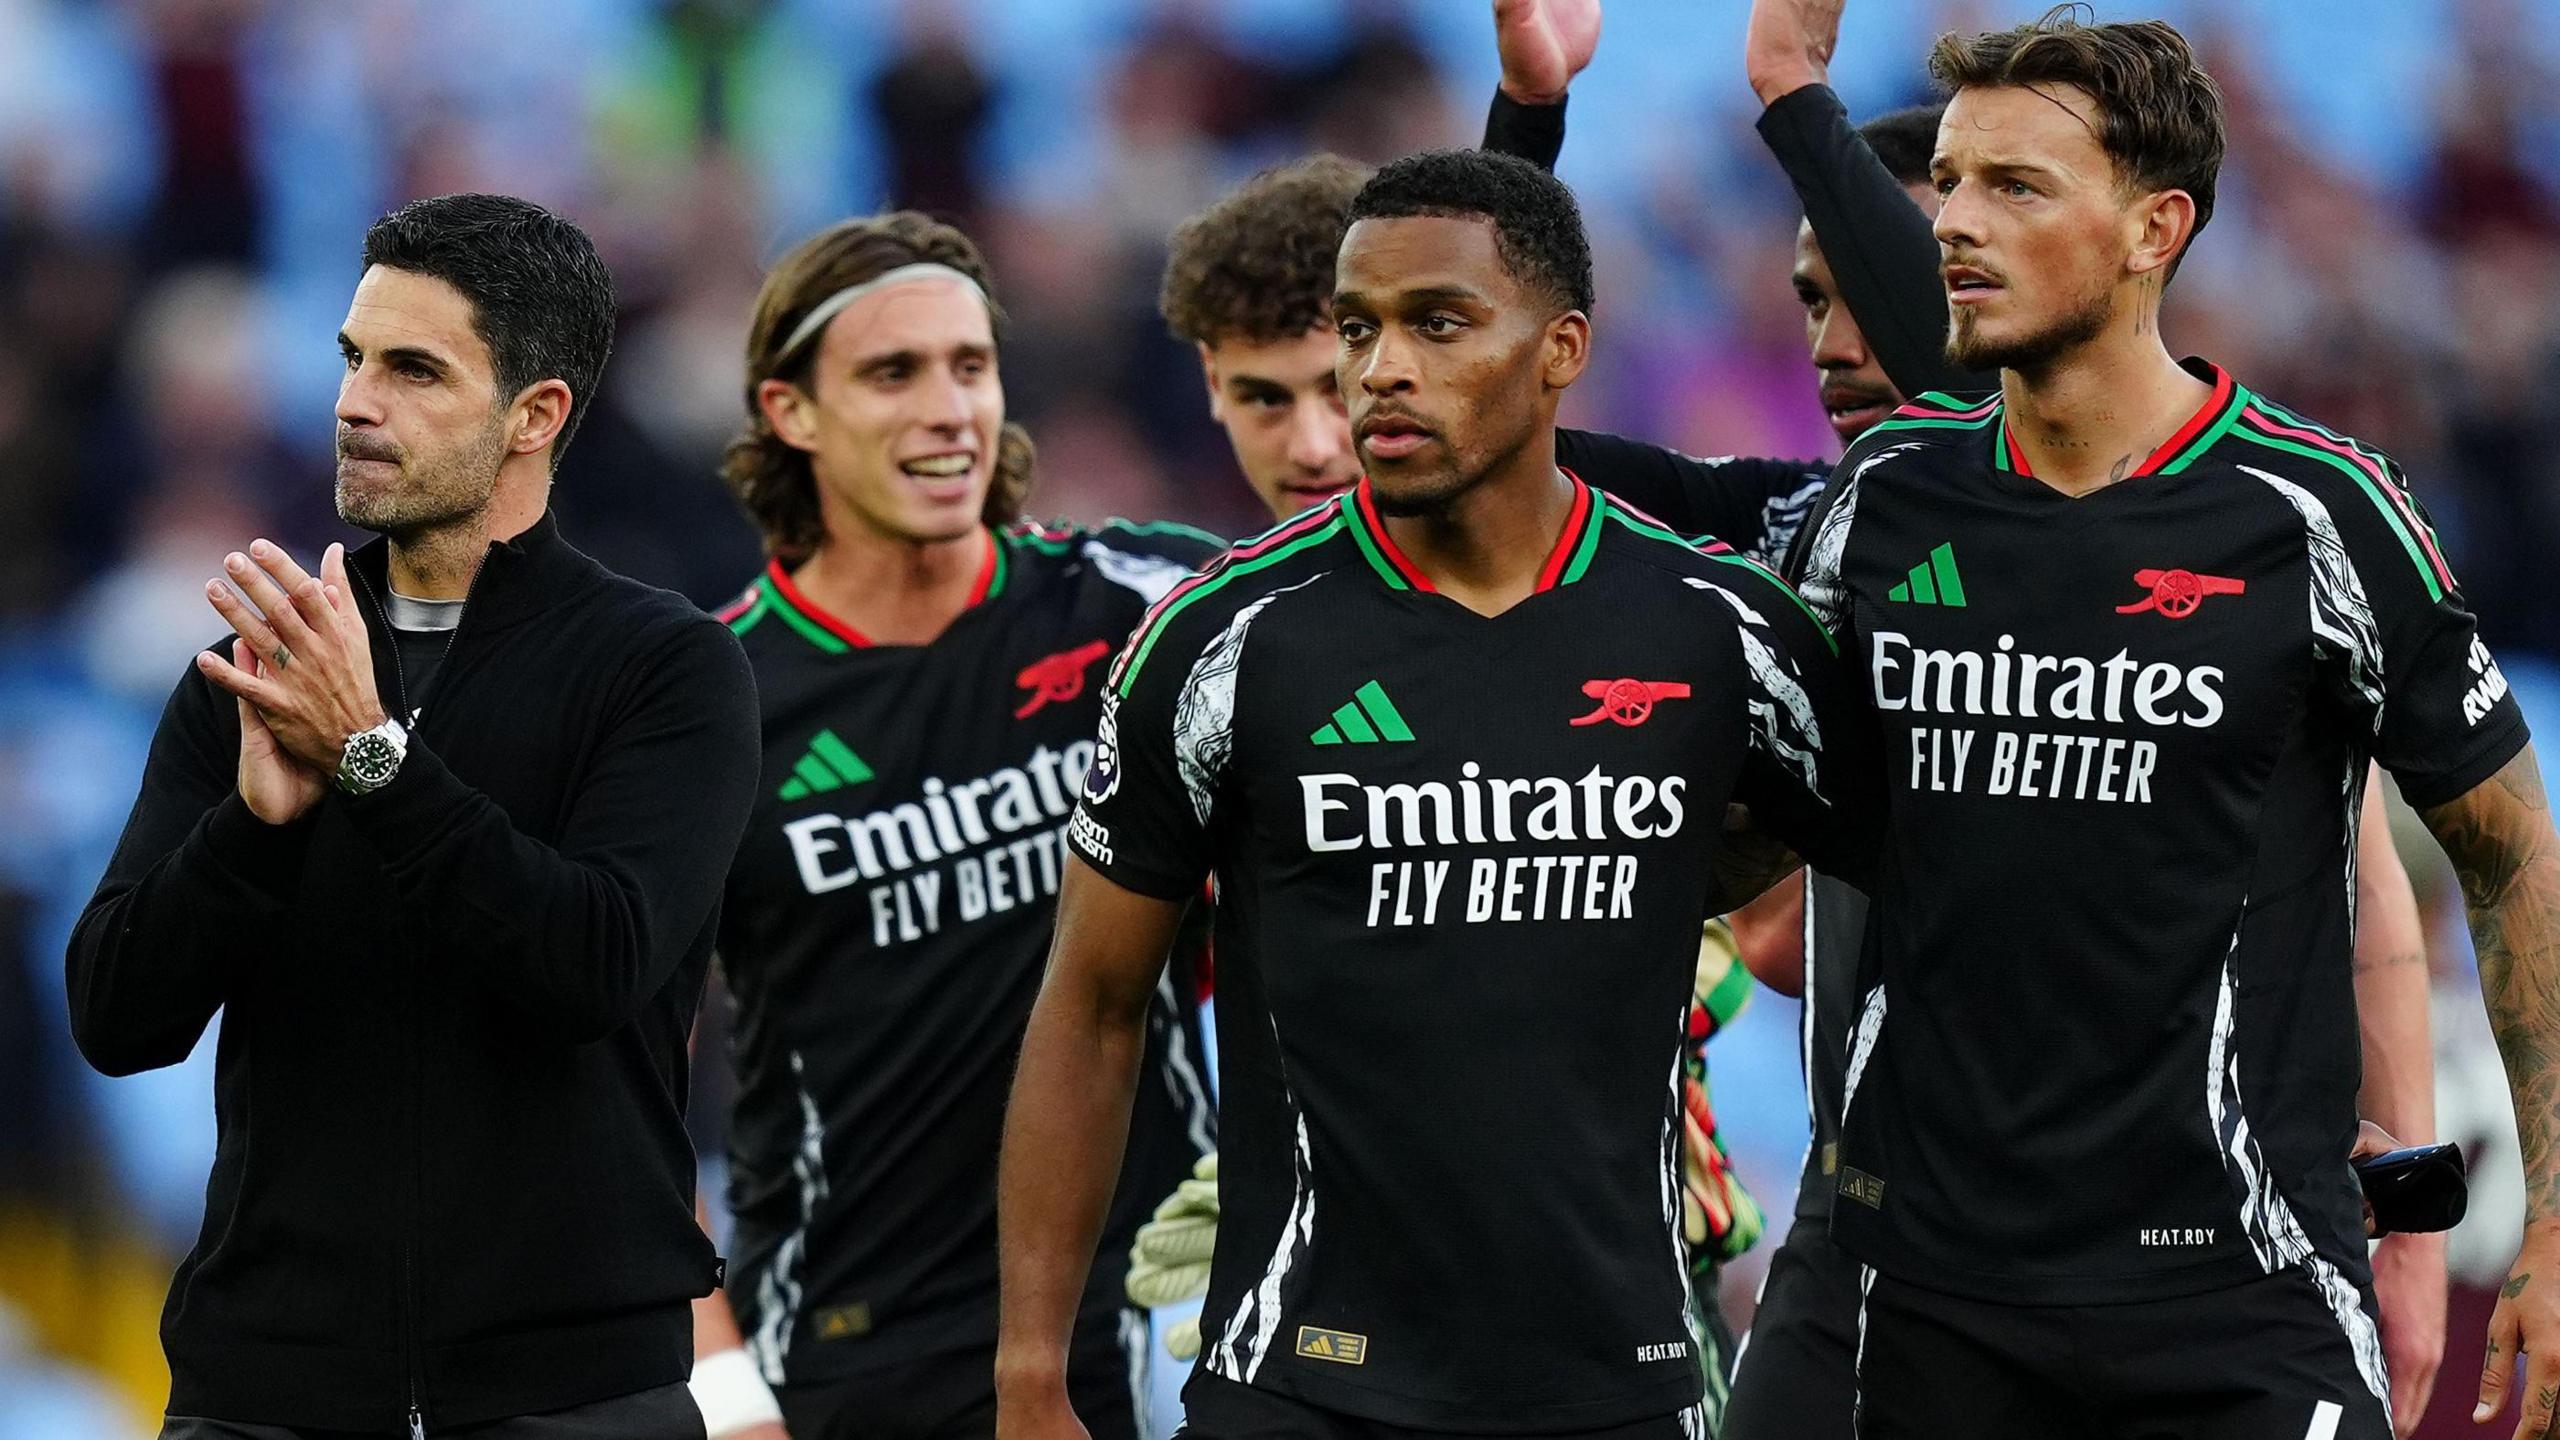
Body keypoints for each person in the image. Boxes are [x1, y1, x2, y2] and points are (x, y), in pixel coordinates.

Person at [997, 147, 1869, 1440]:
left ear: (1563, 348)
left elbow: (1923, 893)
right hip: (1302, 1378)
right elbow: (1092, 1002)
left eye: (1438, 323)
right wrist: (1029, 1376)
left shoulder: (1721, 632)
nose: (1380, 369)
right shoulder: (1222, 640)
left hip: (1618, 1381)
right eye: (1360, 328)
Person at [1795, 14, 2556, 1437]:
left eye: (2016, 186)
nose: (1954, 220)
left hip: (2244, 1299)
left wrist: (2551, 1227)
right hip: (1936, 1303)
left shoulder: (2322, 512)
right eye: (1951, 180)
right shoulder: (1875, 506)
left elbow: (2507, 862)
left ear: (2156, 228)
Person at [66, 193, 760, 1439]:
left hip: (573, 1397)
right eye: (349, 358)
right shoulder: (251, 674)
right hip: (263, 1390)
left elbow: (591, 966)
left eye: (413, 369)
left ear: (534, 416)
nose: (352, 400)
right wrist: (251, 834)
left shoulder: (665, 669)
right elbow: (115, 1015)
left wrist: (375, 761)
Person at [688, 211, 1219, 1440]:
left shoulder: (1143, 608)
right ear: (791, 412)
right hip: (846, 1342)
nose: (949, 409)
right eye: (893, 373)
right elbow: (604, 1079)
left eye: (970, 366)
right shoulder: (706, 702)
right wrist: (722, 1389)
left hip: (1149, 1312)